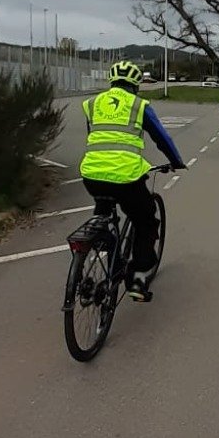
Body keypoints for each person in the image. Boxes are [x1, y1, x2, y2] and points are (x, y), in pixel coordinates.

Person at [80, 60, 186, 302]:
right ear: (136, 84)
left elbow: (95, 137)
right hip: (126, 177)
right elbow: (162, 138)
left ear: (112, 81)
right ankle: (137, 278)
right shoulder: (139, 105)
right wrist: (176, 161)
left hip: (92, 174)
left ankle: (105, 245)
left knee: (103, 214)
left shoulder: (93, 103)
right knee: (146, 222)